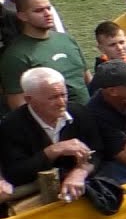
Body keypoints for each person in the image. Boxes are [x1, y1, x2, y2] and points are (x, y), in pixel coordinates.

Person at [0, 67, 100, 199]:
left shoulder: (79, 113)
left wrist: (80, 172)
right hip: (33, 194)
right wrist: (52, 151)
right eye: (53, 98)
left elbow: (98, 152)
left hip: (79, 187)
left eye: (63, 95)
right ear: (29, 99)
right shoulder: (12, 126)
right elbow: (15, 174)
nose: (61, 103)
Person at [1, 0, 91, 109]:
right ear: (22, 16)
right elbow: (18, 103)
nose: (47, 13)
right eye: (39, 11)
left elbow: (87, 79)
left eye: (48, 8)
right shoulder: (16, 55)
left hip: (87, 117)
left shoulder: (67, 40)